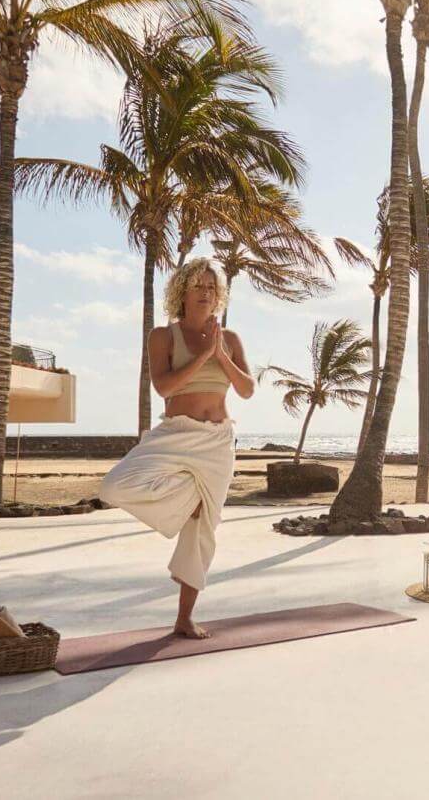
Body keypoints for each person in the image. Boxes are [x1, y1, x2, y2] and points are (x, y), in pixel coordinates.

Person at [99, 258, 255, 639]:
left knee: (203, 532)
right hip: (176, 433)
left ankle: (184, 618)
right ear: (181, 291)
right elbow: (165, 388)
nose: (205, 292)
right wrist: (202, 356)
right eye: (198, 285)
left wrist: (220, 356)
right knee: (113, 487)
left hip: (218, 440)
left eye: (211, 287)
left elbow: (247, 389)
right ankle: (186, 503)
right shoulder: (163, 336)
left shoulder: (230, 339)